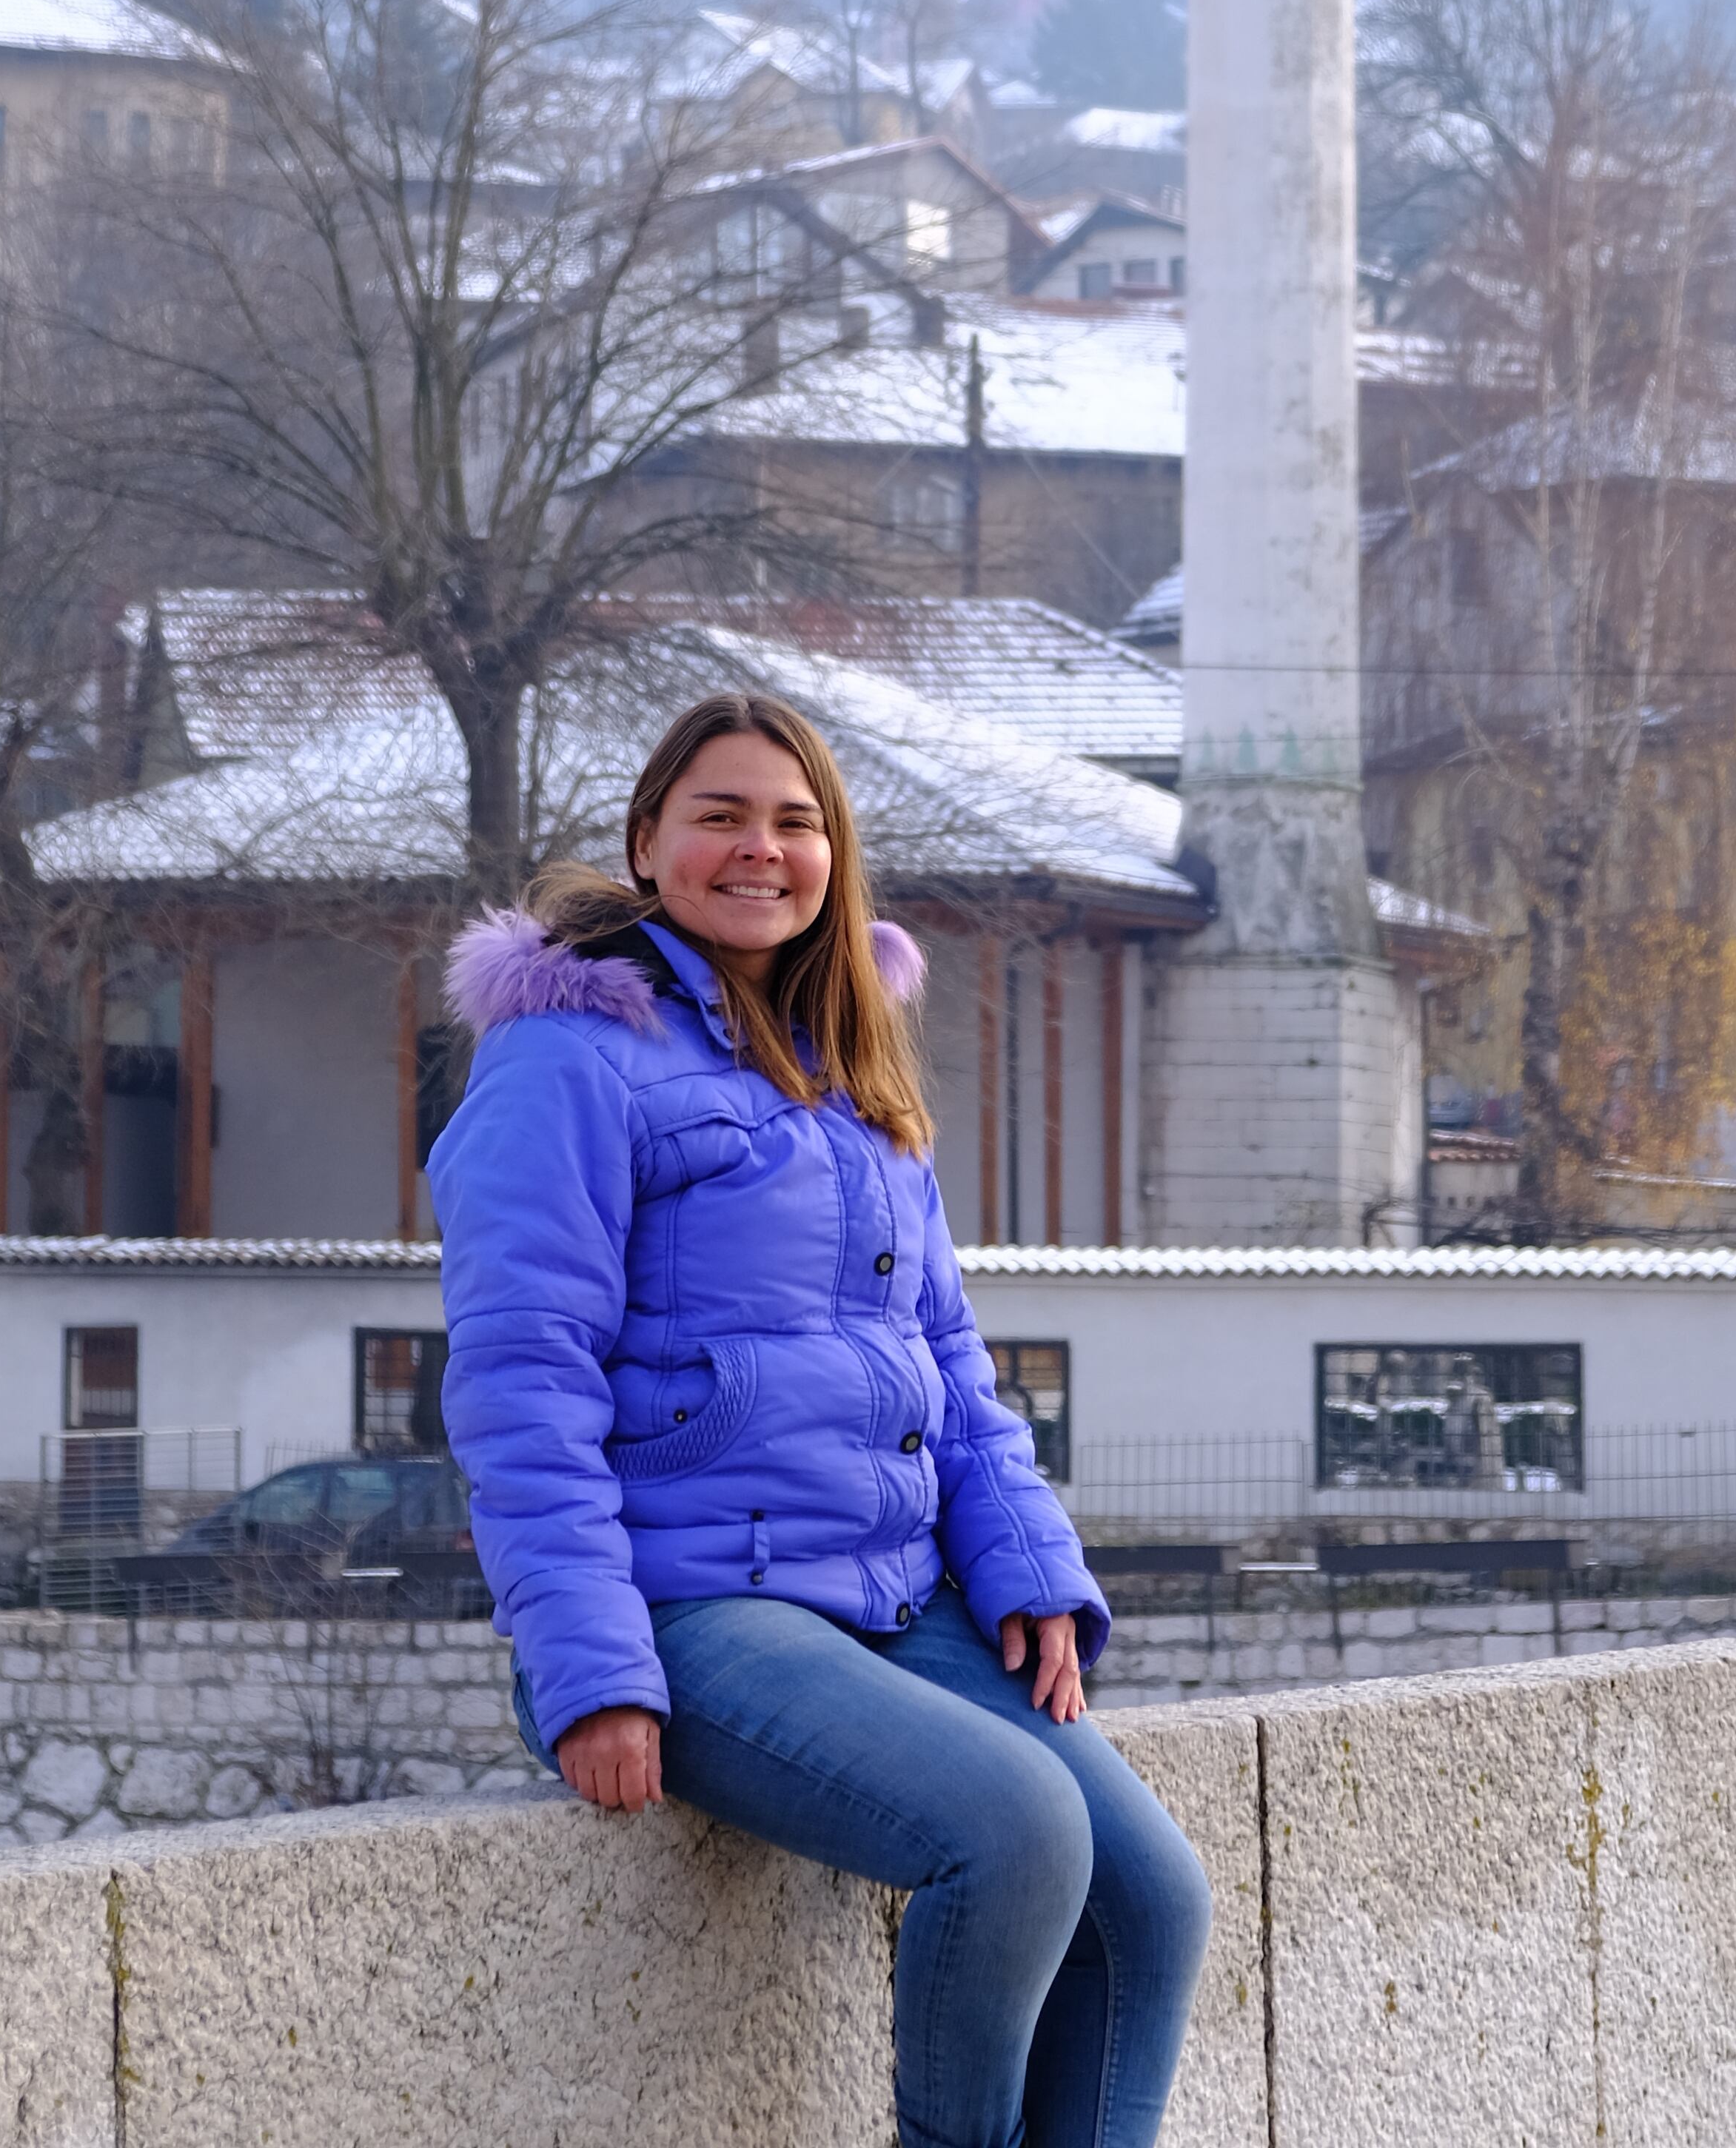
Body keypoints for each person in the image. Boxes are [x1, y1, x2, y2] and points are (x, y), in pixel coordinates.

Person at [430, 691, 1210, 2148]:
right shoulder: (566, 1055)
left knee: (1150, 1900)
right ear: (647, 843)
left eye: (796, 823)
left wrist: (1028, 1568)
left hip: (894, 1594)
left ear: (834, 858)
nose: (761, 849)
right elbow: (520, 1381)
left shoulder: (844, 1062)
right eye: (720, 815)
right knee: (1013, 1833)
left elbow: (949, 1363)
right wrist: (587, 1669)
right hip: (695, 1607)